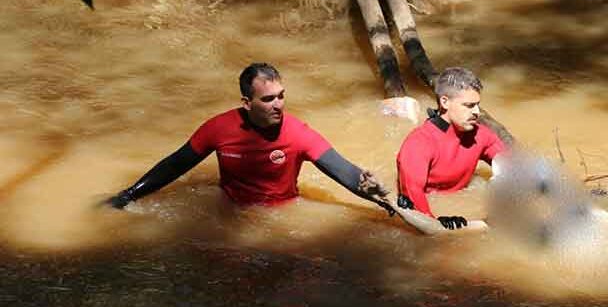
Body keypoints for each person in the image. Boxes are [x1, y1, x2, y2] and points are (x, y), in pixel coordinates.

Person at [106, 62, 393, 212]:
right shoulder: (218, 129)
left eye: (281, 96)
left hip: (283, 215)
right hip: (231, 211)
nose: (278, 105)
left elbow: (341, 169)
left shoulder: (299, 134)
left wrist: (375, 193)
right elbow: (175, 165)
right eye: (268, 99)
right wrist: (128, 195)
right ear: (247, 103)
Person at [396, 67, 507, 230]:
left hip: (460, 200)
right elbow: (420, 215)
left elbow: (514, 169)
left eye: (477, 105)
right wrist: (438, 223)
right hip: (431, 209)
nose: (477, 112)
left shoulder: (482, 136)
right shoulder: (418, 144)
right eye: (469, 105)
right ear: (445, 102)